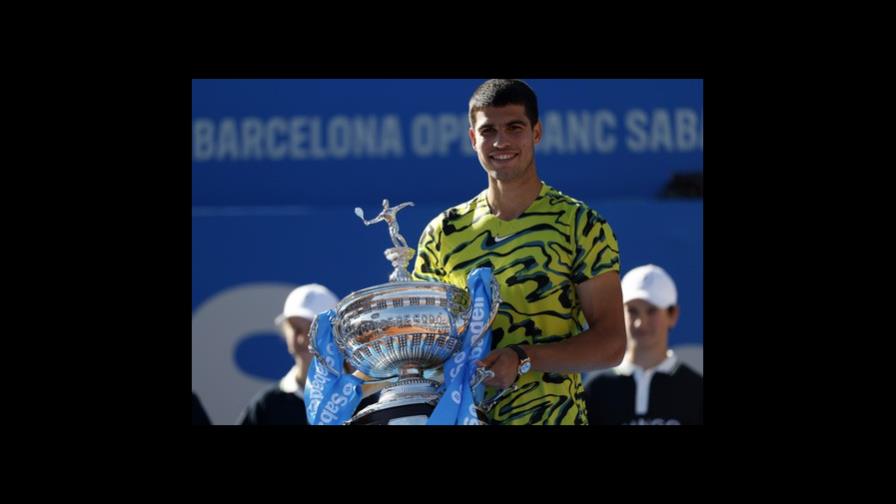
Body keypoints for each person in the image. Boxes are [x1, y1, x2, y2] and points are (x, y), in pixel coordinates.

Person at [411, 79, 626, 425]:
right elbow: (422, 343)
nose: (501, 142)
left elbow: (612, 343)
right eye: (488, 131)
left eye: (515, 128)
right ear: (472, 139)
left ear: (536, 132)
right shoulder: (442, 233)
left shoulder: (580, 224)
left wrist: (523, 358)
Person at [238, 283, 379, 425]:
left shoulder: (364, 400)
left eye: (313, 329)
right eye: (296, 329)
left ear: (335, 335)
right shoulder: (266, 405)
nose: (303, 339)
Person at [583, 264, 703, 425]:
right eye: (632, 311)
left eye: (651, 311)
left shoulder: (695, 389)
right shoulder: (596, 389)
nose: (641, 323)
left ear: (672, 315)